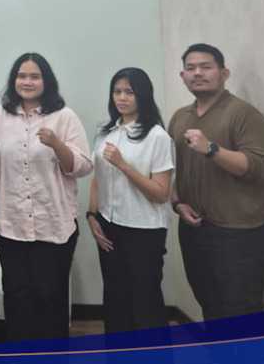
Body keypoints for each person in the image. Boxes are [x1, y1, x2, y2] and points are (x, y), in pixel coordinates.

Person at [0, 52, 91, 341]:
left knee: (50, 299)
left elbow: (82, 166)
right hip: (12, 226)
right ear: (14, 80)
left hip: (54, 226)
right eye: (22, 76)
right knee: (16, 298)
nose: (27, 82)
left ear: (46, 81)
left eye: (34, 76)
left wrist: (56, 144)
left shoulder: (64, 116)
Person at [169, 43, 264, 322]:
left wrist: (212, 149)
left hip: (239, 235)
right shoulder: (180, 117)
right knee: (210, 306)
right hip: (194, 229)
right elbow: (174, 169)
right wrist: (178, 203)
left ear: (224, 73)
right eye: (190, 68)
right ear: (182, 77)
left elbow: (259, 167)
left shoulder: (243, 114)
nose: (197, 73)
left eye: (206, 67)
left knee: (241, 314)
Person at [86, 68, 173, 333]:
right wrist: (91, 216)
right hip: (109, 225)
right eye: (117, 91)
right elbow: (97, 178)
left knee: (145, 304)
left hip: (144, 230)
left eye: (129, 92)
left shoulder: (157, 136)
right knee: (115, 301)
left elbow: (160, 193)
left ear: (143, 96)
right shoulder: (107, 131)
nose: (122, 98)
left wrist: (124, 165)